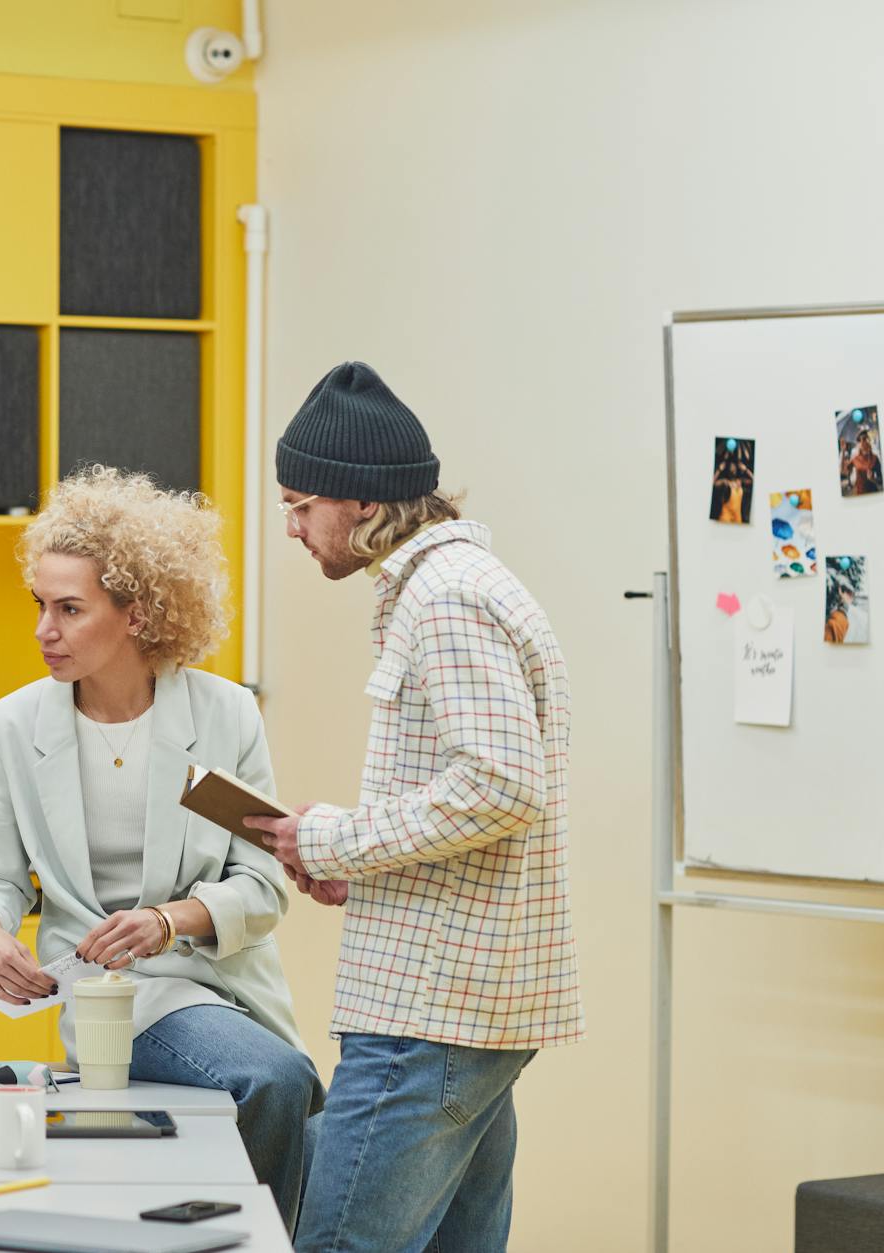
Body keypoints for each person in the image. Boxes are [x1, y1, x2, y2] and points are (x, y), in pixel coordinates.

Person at [248, 362, 583, 1253]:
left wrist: (334, 835)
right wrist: (362, 870)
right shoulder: (462, 584)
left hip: (427, 1013)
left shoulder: (443, 598)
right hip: (461, 995)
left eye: (298, 503)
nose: (290, 527)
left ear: (358, 501)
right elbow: (481, 801)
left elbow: (501, 785)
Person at [0, 465, 320, 1231]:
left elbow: (264, 884)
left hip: (222, 981)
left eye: (69, 609)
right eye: (40, 605)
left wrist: (169, 920)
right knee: (279, 1078)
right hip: (106, 994)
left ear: (138, 612)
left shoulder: (226, 716)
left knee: (290, 1087)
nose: (42, 630)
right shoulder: (14, 725)